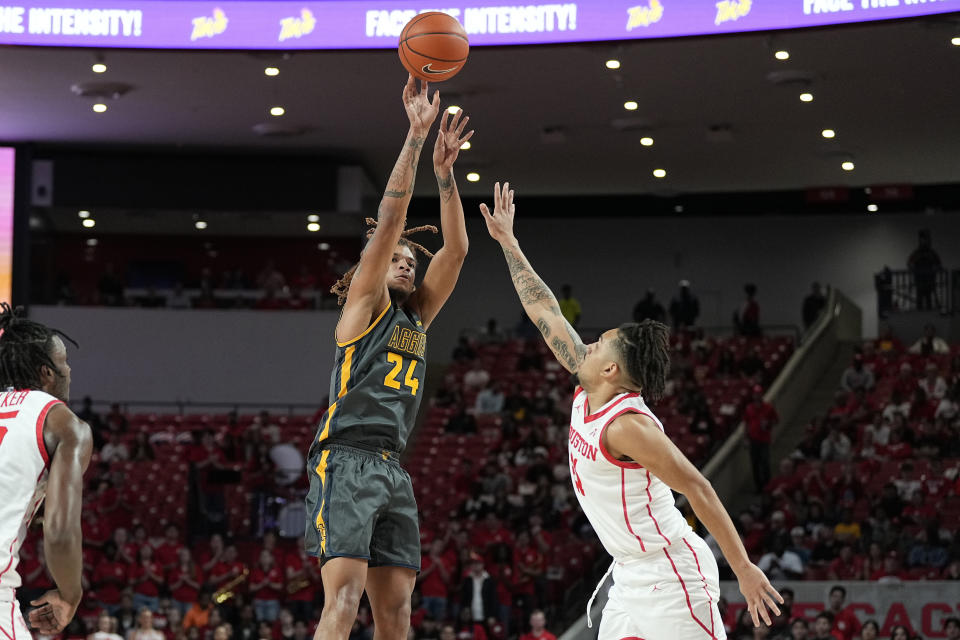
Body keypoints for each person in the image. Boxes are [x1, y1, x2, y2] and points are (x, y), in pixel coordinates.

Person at [480, 182, 781, 638]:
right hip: (628, 575)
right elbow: (545, 310)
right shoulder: (587, 378)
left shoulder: (627, 427)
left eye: (599, 343)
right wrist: (509, 242)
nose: (589, 343)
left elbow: (698, 487)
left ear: (613, 369)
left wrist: (742, 567)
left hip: (670, 576)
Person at [304, 76, 472, 640]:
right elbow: (392, 220)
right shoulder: (361, 306)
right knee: (344, 599)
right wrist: (416, 138)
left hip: (391, 465)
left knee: (397, 611)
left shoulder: (417, 317)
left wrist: (447, 178)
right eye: (394, 256)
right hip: (346, 457)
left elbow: (457, 251)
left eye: (409, 259)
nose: (405, 262)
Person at [0, 304, 92, 637]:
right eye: (64, 361)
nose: (70, 370)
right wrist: (70, 594)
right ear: (46, 373)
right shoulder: (62, 422)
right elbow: (60, 530)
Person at [744, 386, 778, 493]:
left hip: (764, 440)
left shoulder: (768, 407)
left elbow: (776, 420)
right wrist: (745, 438)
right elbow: (746, 424)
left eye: (759, 394)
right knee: (755, 464)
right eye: (755, 394)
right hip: (753, 440)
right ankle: (758, 488)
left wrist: (768, 424)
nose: (757, 396)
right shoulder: (749, 408)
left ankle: (768, 486)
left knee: (765, 463)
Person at [907, 229, 941, 310]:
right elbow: (909, 263)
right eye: (922, 239)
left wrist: (934, 270)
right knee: (920, 300)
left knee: (928, 300)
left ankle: (927, 315)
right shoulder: (917, 253)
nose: (924, 241)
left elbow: (938, 264)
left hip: (929, 280)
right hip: (920, 281)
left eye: (925, 239)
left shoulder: (931, 253)